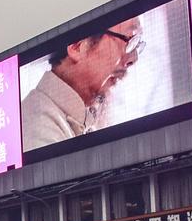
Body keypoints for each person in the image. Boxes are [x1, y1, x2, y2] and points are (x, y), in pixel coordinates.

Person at [20, 19, 142, 151]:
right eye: (130, 40)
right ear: (77, 47)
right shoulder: (37, 129)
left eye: (138, 44)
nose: (134, 59)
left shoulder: (86, 120)